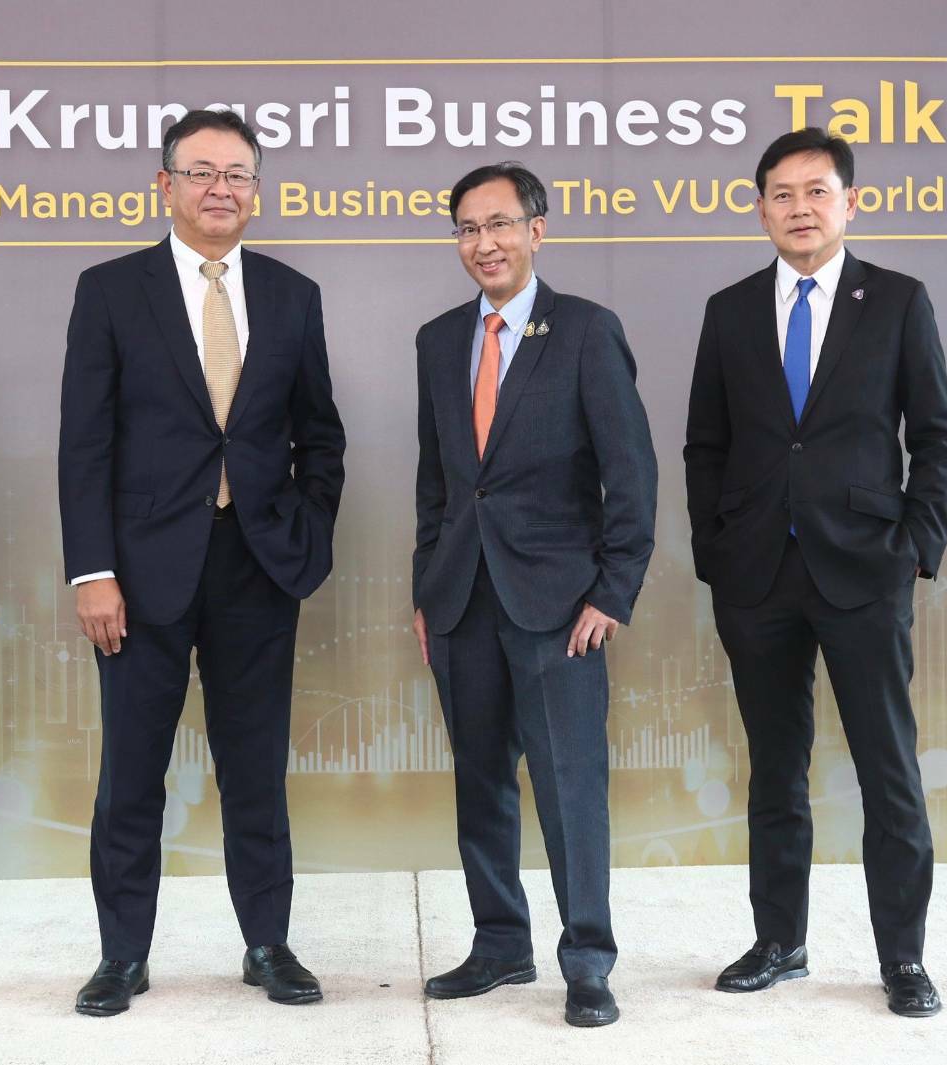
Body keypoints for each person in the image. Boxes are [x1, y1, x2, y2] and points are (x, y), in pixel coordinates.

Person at [59, 109, 346, 1016]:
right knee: (130, 773)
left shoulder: (293, 294)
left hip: (257, 565)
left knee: (254, 768)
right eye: (201, 172)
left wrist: (304, 533)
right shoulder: (111, 290)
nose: (220, 188)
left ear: (256, 191)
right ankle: (121, 955)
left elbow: (321, 434)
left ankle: (266, 943)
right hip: (139, 573)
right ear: (165, 185)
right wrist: (91, 570)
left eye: (237, 174)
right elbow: (84, 444)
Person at [684, 128, 947, 1017]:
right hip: (756, 574)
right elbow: (705, 444)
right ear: (759, 208)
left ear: (849, 202)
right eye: (781, 194)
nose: (798, 208)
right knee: (774, 768)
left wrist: (914, 546)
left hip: (864, 568)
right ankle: (779, 941)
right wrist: (715, 551)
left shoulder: (897, 300)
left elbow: (936, 435)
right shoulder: (729, 309)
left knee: (888, 771)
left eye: (815, 191)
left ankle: (903, 958)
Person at [411, 162, 657, 1027]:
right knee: (480, 779)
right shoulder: (437, 340)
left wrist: (612, 593)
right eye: (468, 229)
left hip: (560, 604)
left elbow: (631, 473)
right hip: (460, 601)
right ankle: (498, 943)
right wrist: (424, 589)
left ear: (536, 231)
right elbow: (438, 483)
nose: (484, 243)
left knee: (568, 784)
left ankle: (586, 960)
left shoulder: (585, 330)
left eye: (499, 224)